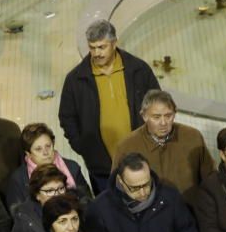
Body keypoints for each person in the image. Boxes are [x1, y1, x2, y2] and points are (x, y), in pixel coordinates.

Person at [59, 20, 161, 194]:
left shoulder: (139, 70)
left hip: (142, 159)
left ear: (114, 43)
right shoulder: (75, 79)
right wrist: (84, 147)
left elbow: (157, 106)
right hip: (102, 169)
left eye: (102, 47)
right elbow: (67, 118)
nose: (96, 53)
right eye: (92, 48)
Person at [110, 90, 215, 196]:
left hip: (190, 208)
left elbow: (210, 177)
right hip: (147, 211)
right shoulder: (126, 146)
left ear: (175, 113)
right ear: (144, 116)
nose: (163, 123)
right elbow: (116, 188)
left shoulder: (193, 137)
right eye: (156, 117)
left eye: (168, 116)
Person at [5, 123, 91, 211]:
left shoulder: (72, 167)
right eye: (38, 149)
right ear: (28, 154)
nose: (45, 153)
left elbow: (87, 202)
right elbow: (18, 213)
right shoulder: (19, 178)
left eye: (48, 146)